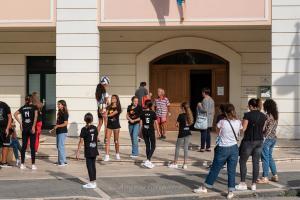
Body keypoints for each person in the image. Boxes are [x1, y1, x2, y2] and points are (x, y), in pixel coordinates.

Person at [194, 104, 242, 199]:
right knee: (231, 171)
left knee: (215, 169)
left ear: (224, 112)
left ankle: (205, 187)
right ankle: (230, 192)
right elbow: (241, 131)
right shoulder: (238, 122)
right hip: (234, 148)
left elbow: (217, 132)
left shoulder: (222, 122)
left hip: (223, 148)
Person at [236, 98, 267, 191]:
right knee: (256, 162)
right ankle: (253, 184)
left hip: (249, 141)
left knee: (242, 161)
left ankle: (243, 183)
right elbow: (263, 129)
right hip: (259, 141)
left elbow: (243, 129)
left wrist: (239, 130)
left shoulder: (247, 115)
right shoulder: (263, 116)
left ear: (250, 106)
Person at [257, 99, 279, 184]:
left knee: (265, 158)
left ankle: (265, 177)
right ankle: (275, 175)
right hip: (273, 138)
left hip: (266, 139)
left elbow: (264, 128)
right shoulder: (276, 115)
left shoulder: (267, 116)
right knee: (269, 157)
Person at [14, 95, 38, 170]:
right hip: (31, 128)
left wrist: (20, 123)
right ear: (31, 100)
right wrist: (34, 126)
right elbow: (36, 117)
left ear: (25, 100)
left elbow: (15, 114)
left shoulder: (23, 107)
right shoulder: (34, 107)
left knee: (24, 146)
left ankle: (22, 164)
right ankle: (33, 165)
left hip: (24, 128)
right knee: (32, 146)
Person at [76, 113, 99, 189]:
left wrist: (78, 151)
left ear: (84, 120)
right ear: (92, 120)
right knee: (93, 166)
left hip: (88, 150)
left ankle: (92, 183)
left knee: (89, 166)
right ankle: (94, 181)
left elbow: (81, 141)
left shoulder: (84, 129)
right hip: (94, 149)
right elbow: (96, 138)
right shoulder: (95, 128)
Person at [168, 102, 194, 169]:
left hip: (181, 133)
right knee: (185, 148)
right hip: (188, 133)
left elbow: (176, 124)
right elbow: (190, 123)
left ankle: (175, 163)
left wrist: (179, 125)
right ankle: (185, 164)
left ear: (182, 108)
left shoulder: (181, 115)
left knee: (177, 148)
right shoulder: (190, 115)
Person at [140, 100, 161, 169]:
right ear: (151, 105)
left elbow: (141, 124)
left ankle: (148, 161)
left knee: (147, 145)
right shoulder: (153, 113)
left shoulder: (142, 113)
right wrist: (158, 132)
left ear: (146, 105)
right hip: (150, 130)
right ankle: (148, 160)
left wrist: (140, 132)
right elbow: (156, 123)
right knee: (153, 146)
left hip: (144, 130)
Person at [104, 95, 122, 162]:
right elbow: (105, 112)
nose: (112, 99)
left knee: (116, 140)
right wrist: (103, 110)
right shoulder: (108, 107)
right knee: (107, 140)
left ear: (116, 99)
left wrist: (107, 115)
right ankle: (107, 155)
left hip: (116, 126)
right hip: (109, 126)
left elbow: (113, 114)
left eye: (114, 98)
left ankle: (117, 154)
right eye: (112, 98)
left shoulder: (118, 107)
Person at [199, 88, 215, 152]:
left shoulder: (204, 100)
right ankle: (208, 147)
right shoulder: (212, 100)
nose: (201, 94)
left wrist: (199, 105)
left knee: (203, 133)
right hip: (210, 118)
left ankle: (202, 147)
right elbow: (213, 111)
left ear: (204, 92)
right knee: (208, 133)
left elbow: (204, 110)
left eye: (202, 92)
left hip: (204, 119)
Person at [54, 100, 69, 167]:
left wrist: (58, 126)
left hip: (62, 132)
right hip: (59, 131)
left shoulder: (65, 113)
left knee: (60, 147)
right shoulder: (59, 112)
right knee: (59, 146)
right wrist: (56, 126)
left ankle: (62, 162)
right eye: (58, 104)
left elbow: (66, 123)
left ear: (63, 105)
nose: (58, 105)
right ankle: (62, 160)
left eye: (59, 104)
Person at [0, 100, 12, 167]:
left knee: (5, 145)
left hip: (4, 128)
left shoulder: (4, 105)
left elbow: (10, 117)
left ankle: (3, 162)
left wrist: (7, 128)